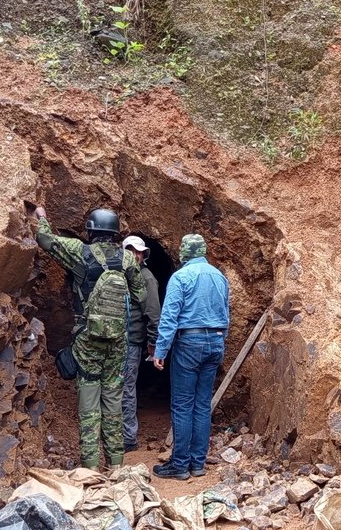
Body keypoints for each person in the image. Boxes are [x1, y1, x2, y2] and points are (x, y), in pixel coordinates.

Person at [34, 205, 145, 470]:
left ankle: (92, 468)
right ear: (116, 232)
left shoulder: (79, 252)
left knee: (89, 404)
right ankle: (117, 465)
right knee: (113, 402)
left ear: (91, 230)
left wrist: (42, 218)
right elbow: (139, 293)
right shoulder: (128, 259)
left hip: (88, 340)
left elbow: (45, 240)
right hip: (118, 340)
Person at [150, 234, 230, 480]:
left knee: (183, 404)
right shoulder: (220, 277)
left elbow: (169, 317)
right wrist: (219, 341)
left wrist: (160, 350)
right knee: (202, 404)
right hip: (215, 341)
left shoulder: (181, 277)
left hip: (189, 342)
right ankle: (198, 464)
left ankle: (180, 465)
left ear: (185, 253)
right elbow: (226, 313)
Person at [121, 234, 161, 452]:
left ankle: (128, 438)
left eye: (138, 251)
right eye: (130, 250)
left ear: (144, 255)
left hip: (133, 341)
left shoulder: (145, 277)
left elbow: (153, 313)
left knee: (126, 388)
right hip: (116, 341)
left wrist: (154, 342)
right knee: (116, 387)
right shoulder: (120, 275)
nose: (135, 255)